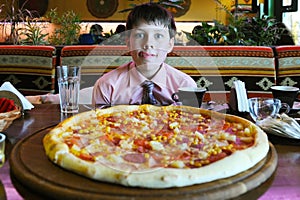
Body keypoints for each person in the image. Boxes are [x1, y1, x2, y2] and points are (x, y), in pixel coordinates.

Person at [92, 3, 197, 106]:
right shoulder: (107, 86)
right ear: (128, 43)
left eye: (158, 36)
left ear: (170, 44)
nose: (148, 44)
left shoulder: (186, 85)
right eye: (140, 35)